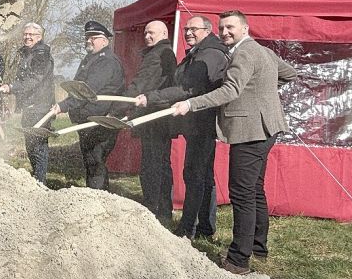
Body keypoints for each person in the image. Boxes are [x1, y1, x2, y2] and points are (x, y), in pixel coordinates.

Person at [172, 10, 296, 275]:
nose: (225, 32)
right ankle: (258, 247)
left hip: (250, 131)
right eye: (222, 28)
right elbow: (289, 74)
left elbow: (231, 90)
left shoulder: (243, 53)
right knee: (255, 189)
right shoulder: (263, 51)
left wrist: (191, 103)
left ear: (245, 28)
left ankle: (239, 260)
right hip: (268, 128)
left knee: (242, 193)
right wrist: (263, 95)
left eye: (230, 27)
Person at [136, 15, 229, 239]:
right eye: (186, 29)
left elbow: (187, 89)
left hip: (201, 122)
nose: (188, 32)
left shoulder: (209, 55)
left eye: (193, 29)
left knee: (195, 174)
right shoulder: (198, 53)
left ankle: (188, 228)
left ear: (207, 30)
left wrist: (152, 97)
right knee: (202, 174)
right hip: (195, 121)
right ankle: (205, 227)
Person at [46, 20, 125, 190]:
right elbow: (76, 87)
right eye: (87, 37)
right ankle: (93, 197)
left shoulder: (106, 62)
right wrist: (65, 104)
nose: (89, 40)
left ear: (105, 40)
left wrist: (63, 106)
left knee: (96, 161)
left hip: (101, 121)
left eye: (94, 37)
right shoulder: (90, 59)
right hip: (87, 120)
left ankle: (99, 200)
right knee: (90, 161)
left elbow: (87, 91)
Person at [122, 20, 177, 223]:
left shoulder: (158, 55)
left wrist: (117, 107)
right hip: (154, 117)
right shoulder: (159, 53)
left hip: (155, 120)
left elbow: (141, 84)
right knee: (159, 164)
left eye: (151, 33)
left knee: (153, 166)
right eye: (145, 33)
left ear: (164, 33)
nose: (147, 36)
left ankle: (155, 210)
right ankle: (161, 210)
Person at [0, 22, 54, 184]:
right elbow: (22, 78)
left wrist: (12, 87)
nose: (27, 37)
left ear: (39, 37)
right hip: (29, 105)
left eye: (31, 35)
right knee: (30, 145)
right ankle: (36, 177)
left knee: (39, 146)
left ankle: (40, 182)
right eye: (25, 34)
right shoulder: (26, 53)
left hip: (41, 106)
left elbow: (34, 79)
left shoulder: (41, 55)